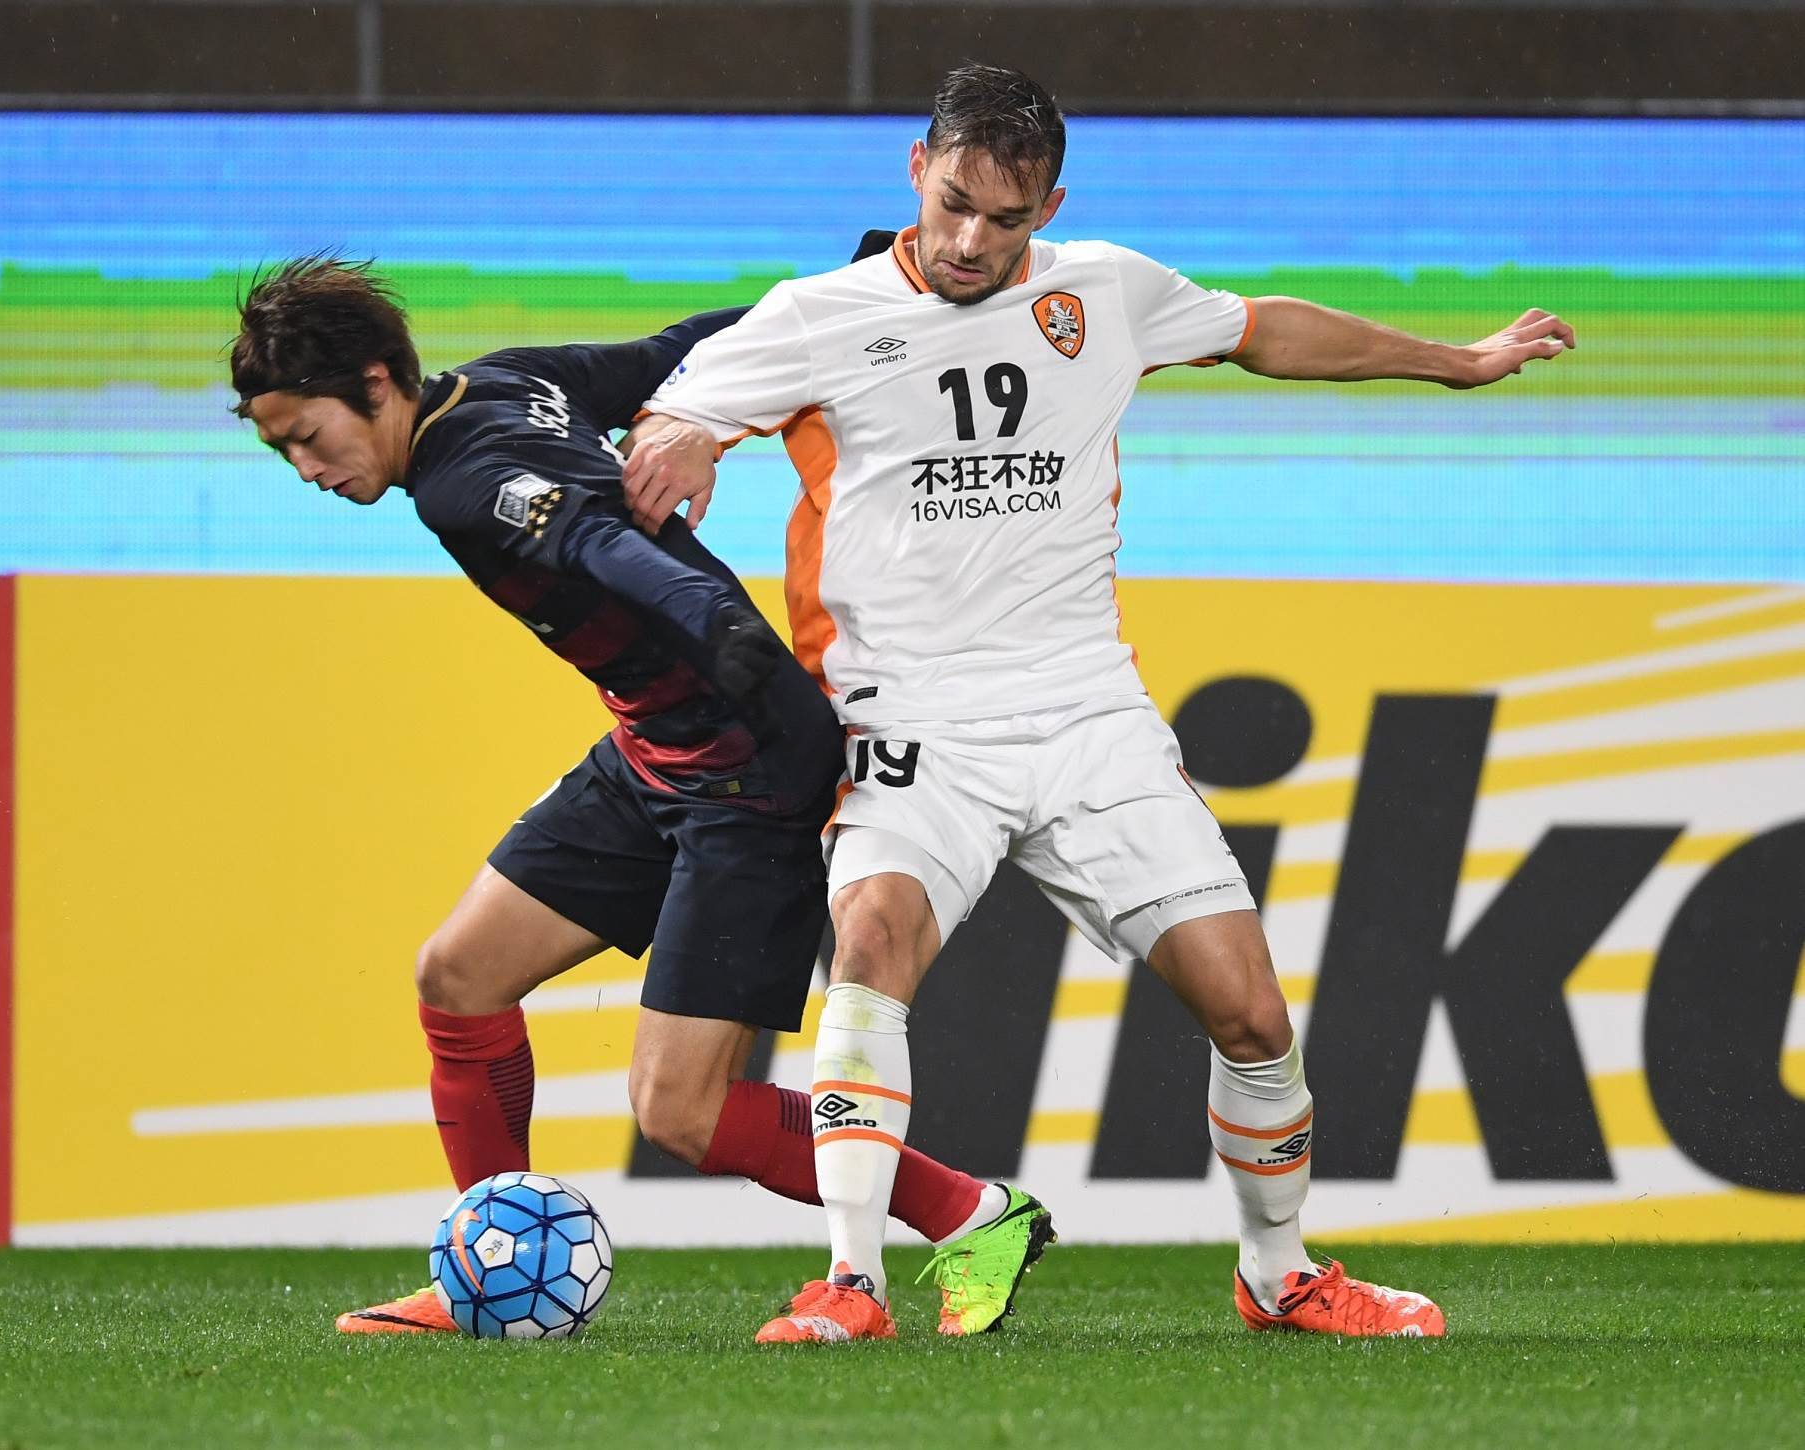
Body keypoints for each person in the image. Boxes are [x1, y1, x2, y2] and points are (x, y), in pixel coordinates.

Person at [624, 63, 1576, 1344]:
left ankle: (1278, 1272)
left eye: (1005, 218)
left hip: (1086, 716)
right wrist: (679, 433)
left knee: (1248, 1009)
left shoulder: (1104, 292)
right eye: (954, 204)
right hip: (909, 722)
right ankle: (852, 1281)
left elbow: (1262, 329)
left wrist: (1453, 362)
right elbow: (675, 408)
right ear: (916, 169)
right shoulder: (818, 314)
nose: (971, 241)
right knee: (869, 947)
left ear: (1050, 207)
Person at [228, 256, 1055, 1338]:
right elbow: (680, 354)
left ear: (377, 382)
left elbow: (592, 539)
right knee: (459, 978)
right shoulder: (508, 381)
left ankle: (970, 1213)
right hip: (658, 750)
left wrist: (708, 619)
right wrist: (852, 298)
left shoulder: (460, 482)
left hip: (749, 766)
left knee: (679, 1111)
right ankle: (479, 1267)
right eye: (281, 448)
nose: (304, 467)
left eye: (306, 435)